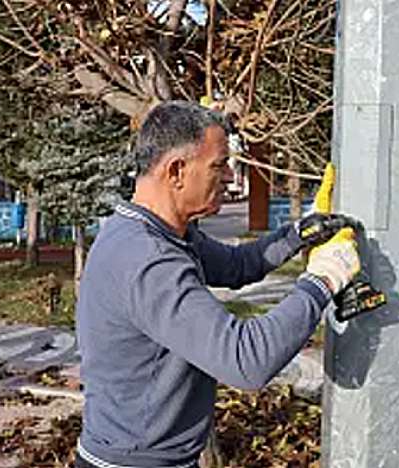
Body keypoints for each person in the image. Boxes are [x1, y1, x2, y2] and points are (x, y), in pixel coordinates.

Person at [75, 101, 362, 468]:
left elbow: (238, 265)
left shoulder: (161, 232)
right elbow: (247, 361)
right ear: (176, 171)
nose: (229, 176)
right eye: (218, 165)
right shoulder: (146, 259)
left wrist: (299, 233)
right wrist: (322, 280)